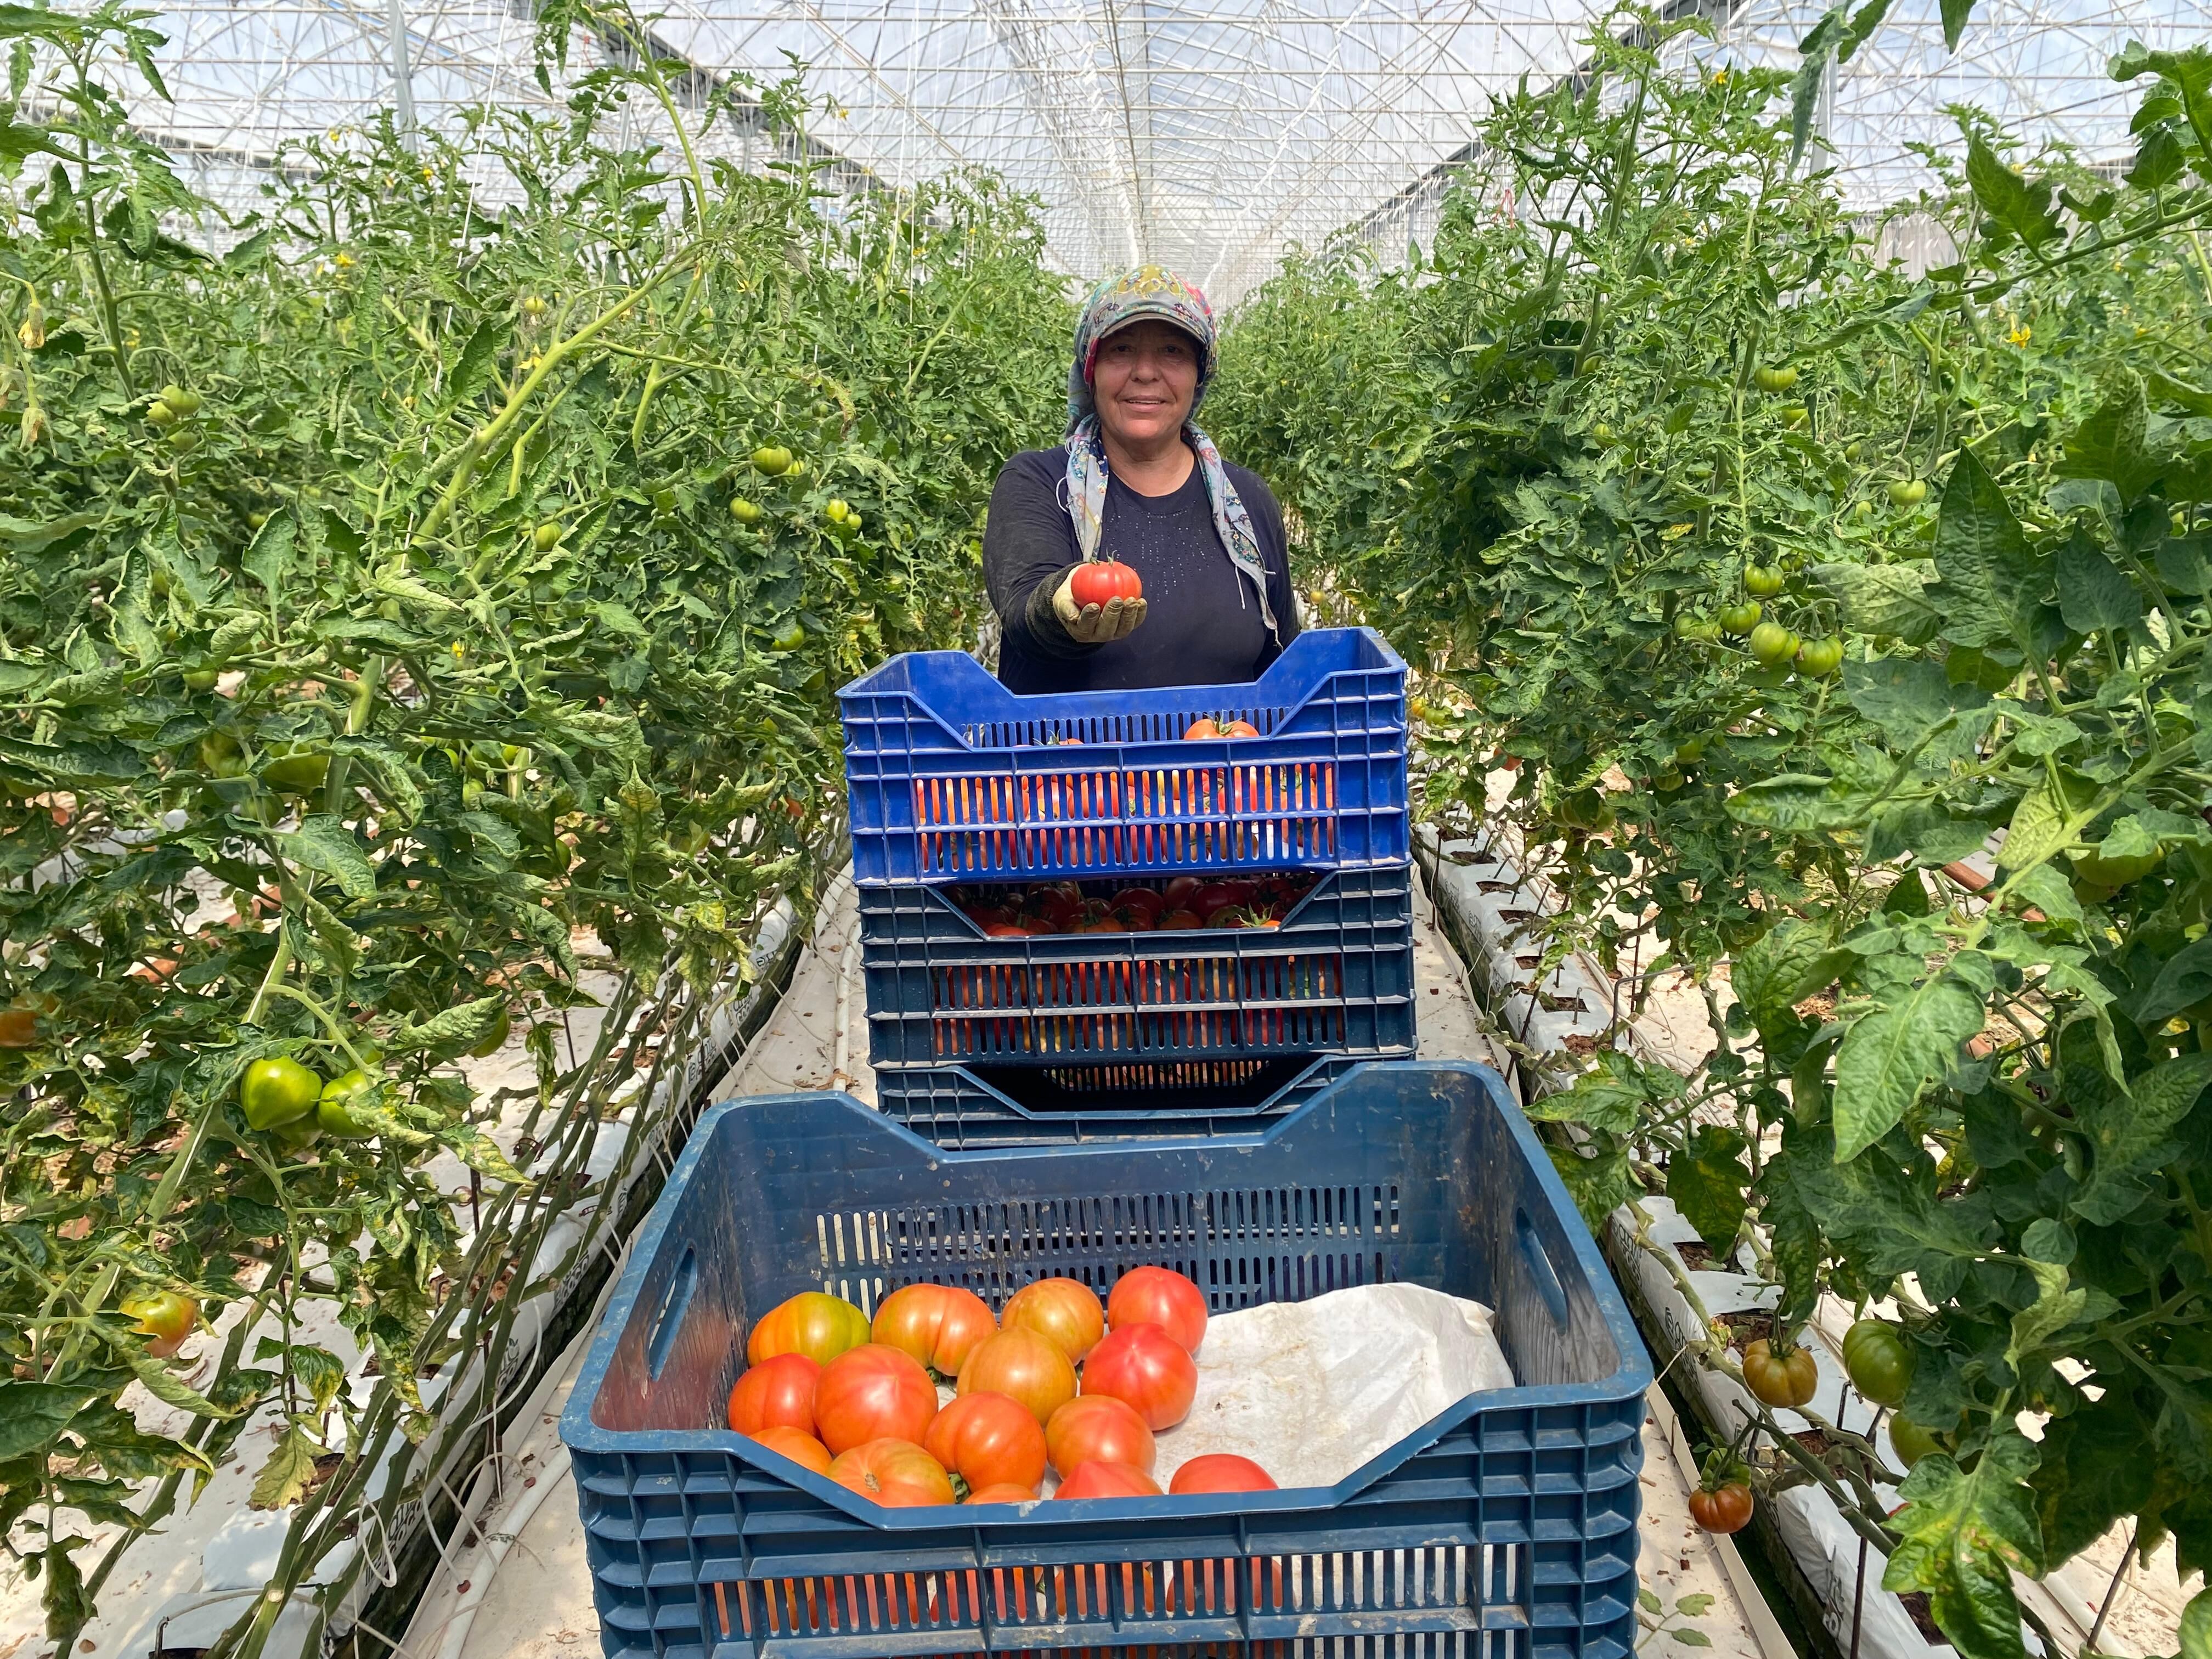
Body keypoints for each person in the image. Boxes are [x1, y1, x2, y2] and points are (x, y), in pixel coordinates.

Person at [983, 266, 1300, 695]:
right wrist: (1060, 604)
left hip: (1223, 741)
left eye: (1172, 351)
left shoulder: (1246, 500)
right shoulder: (1039, 483)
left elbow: (1283, 661)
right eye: (1122, 349)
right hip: (1067, 740)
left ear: (1199, 374)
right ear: (1091, 370)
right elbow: (1024, 610)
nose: (1146, 372)